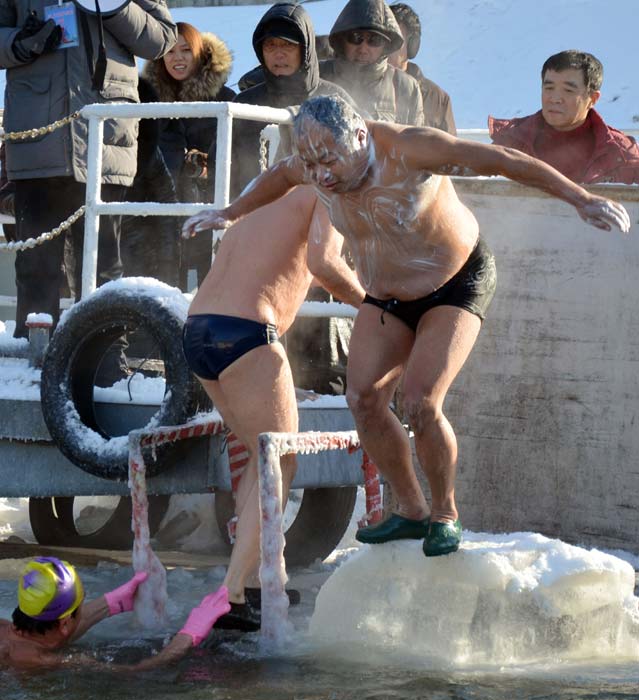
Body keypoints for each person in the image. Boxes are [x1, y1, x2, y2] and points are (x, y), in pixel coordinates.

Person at [182, 95, 630, 558]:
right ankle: (410, 510)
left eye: (330, 161)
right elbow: (280, 175)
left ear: (360, 137)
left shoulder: (409, 148)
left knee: (420, 402)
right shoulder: (312, 162)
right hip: (389, 295)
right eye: (312, 165)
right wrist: (231, 212)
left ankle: (445, 514)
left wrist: (581, 198)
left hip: (454, 283)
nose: (321, 176)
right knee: (364, 398)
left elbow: (502, 159)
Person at [182, 186, 365, 629]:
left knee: (259, 458)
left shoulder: (266, 200)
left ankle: (260, 583)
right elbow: (325, 263)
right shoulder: (326, 194)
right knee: (279, 465)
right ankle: (232, 592)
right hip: (245, 334)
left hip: (198, 331)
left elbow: (300, 269)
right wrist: (375, 305)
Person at [0, 0, 177, 339]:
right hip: (38, 140)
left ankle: (102, 362)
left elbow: (161, 39)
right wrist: (21, 43)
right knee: (36, 268)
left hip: (105, 140)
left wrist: (115, 6)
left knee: (102, 267)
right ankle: (36, 363)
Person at [0, 556, 230, 670]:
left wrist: (110, 604)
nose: (84, 607)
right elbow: (137, 672)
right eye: (82, 604)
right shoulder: (42, 661)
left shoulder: (8, 631)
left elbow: (57, 631)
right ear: (63, 624)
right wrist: (188, 636)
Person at [226, 1, 352, 199]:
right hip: (254, 214)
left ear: (306, 49)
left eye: (288, 45)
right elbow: (223, 167)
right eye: (270, 45)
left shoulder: (335, 100)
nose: (279, 54)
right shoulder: (244, 104)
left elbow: (359, 163)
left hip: (320, 216)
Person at [143, 22, 235, 289]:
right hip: (159, 215)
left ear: (200, 53)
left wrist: (206, 165)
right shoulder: (147, 104)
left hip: (210, 213)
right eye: (170, 51)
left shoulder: (226, 100)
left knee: (210, 291)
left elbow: (237, 158)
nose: (178, 58)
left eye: (186, 49)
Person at [489, 50, 639, 184]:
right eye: (549, 88)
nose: (555, 98)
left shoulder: (621, 155)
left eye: (568, 90)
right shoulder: (511, 140)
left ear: (593, 99)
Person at [319, 0, 424, 126]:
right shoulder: (317, 76)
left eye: (374, 40)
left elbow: (415, 142)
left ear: (386, 44)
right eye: (355, 38)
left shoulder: (406, 88)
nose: (363, 49)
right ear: (342, 40)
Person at [120, 77, 181, 287]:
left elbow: (168, 213)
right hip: (96, 255)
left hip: (140, 262)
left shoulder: (149, 154)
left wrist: (167, 276)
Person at [388, 3, 456, 135]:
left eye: (395, 40)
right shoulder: (361, 83)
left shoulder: (438, 99)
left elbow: (452, 152)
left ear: (412, 45)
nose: (385, 48)